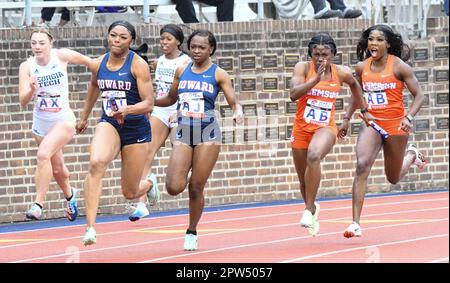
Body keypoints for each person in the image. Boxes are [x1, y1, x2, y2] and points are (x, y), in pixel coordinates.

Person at [155, 29, 243, 250]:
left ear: (211, 49)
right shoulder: (181, 70)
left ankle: (192, 230)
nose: (196, 51)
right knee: (174, 187)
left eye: (201, 47)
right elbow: (170, 98)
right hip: (184, 129)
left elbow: (234, 101)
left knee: (195, 187)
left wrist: (237, 111)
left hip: (207, 132)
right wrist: (150, 102)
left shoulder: (218, 74)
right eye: (193, 46)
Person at [343, 25, 427, 238]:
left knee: (393, 178)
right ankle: (355, 223)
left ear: (388, 44)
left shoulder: (399, 67)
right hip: (371, 122)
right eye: (371, 39)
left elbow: (419, 95)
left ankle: (412, 155)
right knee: (362, 165)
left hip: (396, 125)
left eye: (379, 40)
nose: (374, 43)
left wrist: (409, 117)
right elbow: (357, 94)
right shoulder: (362, 67)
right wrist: (345, 120)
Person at [76, 20, 154, 246]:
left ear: (131, 41)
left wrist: (128, 109)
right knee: (96, 162)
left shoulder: (137, 65)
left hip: (136, 126)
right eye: (113, 35)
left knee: (130, 192)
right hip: (109, 122)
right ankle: (90, 227)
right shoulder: (99, 63)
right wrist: (84, 116)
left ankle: (148, 184)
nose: (116, 41)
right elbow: (93, 86)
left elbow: (149, 103)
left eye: (122, 37)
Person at [289, 32, 367, 237]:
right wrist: (314, 79)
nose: (321, 58)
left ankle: (307, 210)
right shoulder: (302, 68)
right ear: (310, 54)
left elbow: (356, 87)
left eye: (325, 54)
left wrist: (352, 116)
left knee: (314, 155)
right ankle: (312, 208)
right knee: (303, 179)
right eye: (316, 54)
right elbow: (293, 95)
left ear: (333, 54)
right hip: (301, 129)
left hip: (325, 127)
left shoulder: (341, 72)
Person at [18, 28, 92, 221]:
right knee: (57, 169)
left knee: (43, 154)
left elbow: (91, 63)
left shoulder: (61, 56)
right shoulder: (27, 66)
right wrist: (32, 89)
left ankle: (37, 204)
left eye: (42, 43)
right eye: (34, 43)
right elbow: (23, 101)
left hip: (63, 120)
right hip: (41, 124)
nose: (37, 47)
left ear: (50, 43)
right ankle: (70, 195)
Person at [128, 24, 190, 221]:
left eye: (168, 39)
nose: (164, 42)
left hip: (181, 109)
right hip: (161, 109)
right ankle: (141, 204)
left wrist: (180, 112)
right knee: (146, 151)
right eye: (162, 38)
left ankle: (186, 176)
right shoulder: (160, 61)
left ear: (178, 41)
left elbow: (190, 88)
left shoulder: (186, 62)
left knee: (179, 151)